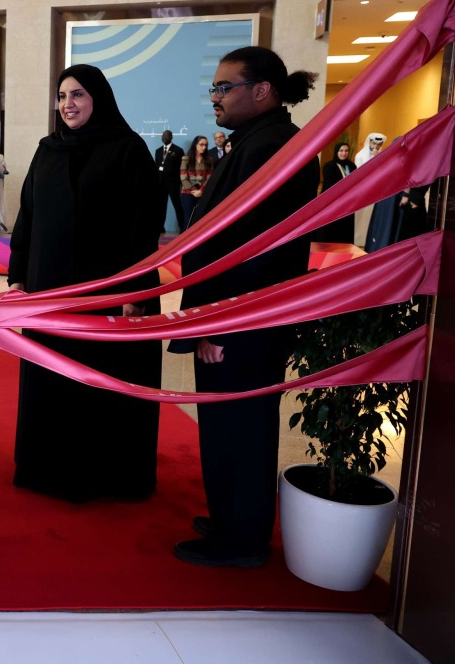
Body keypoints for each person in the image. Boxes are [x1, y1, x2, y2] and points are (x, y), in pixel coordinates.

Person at [170, 46, 319, 567]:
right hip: (236, 316)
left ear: (262, 91)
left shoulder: (273, 146)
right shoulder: (256, 140)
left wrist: (219, 324)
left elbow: (251, 250)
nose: (215, 97)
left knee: (241, 426)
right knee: (228, 423)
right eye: (213, 87)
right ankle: (234, 518)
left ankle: (242, 540)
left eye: (223, 87)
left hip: (242, 320)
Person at [8, 64, 162, 503]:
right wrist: (18, 278)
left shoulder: (128, 150)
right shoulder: (47, 150)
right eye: (61, 97)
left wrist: (137, 292)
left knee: (98, 382)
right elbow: (29, 216)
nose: (67, 104)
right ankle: (48, 468)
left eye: (77, 95)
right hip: (50, 293)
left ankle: (103, 475)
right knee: (52, 377)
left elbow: (142, 227)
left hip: (106, 295)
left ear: (99, 98)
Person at [316, 141, 356, 244]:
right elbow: (330, 185)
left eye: (346, 151)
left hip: (348, 202)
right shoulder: (329, 166)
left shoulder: (352, 166)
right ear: (336, 152)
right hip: (332, 202)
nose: (344, 153)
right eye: (341, 150)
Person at [179, 135, 213, 229]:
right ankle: (186, 241)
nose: (204, 147)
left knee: (202, 219)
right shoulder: (186, 158)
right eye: (201, 144)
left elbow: (209, 178)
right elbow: (183, 178)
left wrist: (201, 191)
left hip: (202, 193)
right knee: (188, 218)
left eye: (206, 145)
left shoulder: (208, 159)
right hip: (188, 192)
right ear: (195, 145)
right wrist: (194, 190)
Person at [155, 129, 185, 233]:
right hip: (160, 184)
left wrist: (181, 183)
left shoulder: (178, 150)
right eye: (163, 136)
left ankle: (182, 226)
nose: (164, 137)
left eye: (166, 136)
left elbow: (182, 168)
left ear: (171, 137)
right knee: (161, 206)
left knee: (177, 205)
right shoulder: (158, 151)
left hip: (173, 183)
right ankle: (160, 227)